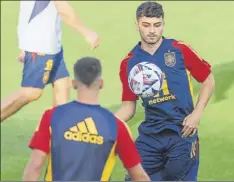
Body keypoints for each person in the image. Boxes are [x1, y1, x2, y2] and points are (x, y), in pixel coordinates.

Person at [115, 1, 215, 181]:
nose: (152, 30)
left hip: (181, 133)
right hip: (150, 136)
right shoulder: (129, 63)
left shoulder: (179, 50)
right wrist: (104, 123)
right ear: (137, 24)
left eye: (157, 25)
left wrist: (197, 114)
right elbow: (128, 107)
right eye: (146, 25)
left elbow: (208, 80)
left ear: (163, 24)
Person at [22, 57, 150, 181]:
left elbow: (35, 166)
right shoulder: (117, 126)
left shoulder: (51, 116)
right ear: (101, 84)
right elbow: (138, 175)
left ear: (74, 84)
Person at [1, 1, 100, 122]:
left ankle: (58, 138)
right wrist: (86, 32)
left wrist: (24, 44)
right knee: (31, 92)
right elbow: (62, 8)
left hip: (52, 46)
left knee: (62, 93)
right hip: (41, 46)